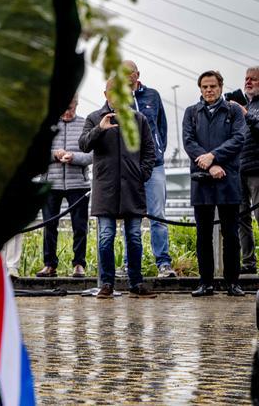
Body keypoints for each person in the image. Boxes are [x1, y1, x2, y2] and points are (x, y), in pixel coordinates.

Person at [79, 77, 157, 299]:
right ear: (106, 95)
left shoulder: (139, 119)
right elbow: (83, 145)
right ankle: (106, 284)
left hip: (132, 188)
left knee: (134, 237)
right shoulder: (94, 118)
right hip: (106, 189)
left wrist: (142, 174)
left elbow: (149, 151)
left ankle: (136, 283)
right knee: (106, 237)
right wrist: (100, 129)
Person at [182, 70, 246, 296]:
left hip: (228, 178)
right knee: (203, 235)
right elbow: (189, 142)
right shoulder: (191, 112)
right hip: (202, 180)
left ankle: (233, 283)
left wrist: (214, 156)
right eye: (205, 87)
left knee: (231, 234)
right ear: (200, 89)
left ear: (220, 87)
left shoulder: (234, 111)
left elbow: (238, 139)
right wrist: (209, 165)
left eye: (213, 86)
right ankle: (205, 283)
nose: (209, 90)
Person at [122, 60, 175, 277]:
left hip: (154, 166)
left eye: (129, 72)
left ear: (137, 74)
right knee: (130, 216)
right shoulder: (117, 97)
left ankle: (163, 263)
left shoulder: (153, 95)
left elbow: (161, 126)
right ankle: (129, 264)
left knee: (158, 216)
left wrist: (158, 150)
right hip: (129, 166)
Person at [36, 97, 92, 278]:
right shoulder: (48, 125)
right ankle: (49, 264)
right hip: (51, 183)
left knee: (80, 226)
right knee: (49, 225)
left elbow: (92, 155)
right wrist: (55, 155)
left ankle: (79, 264)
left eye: (70, 108)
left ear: (76, 104)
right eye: (64, 108)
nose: (67, 112)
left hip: (78, 184)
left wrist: (73, 157)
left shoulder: (85, 124)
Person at [233, 66, 259, 273]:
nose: (248, 82)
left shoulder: (249, 109)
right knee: (242, 218)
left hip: (257, 169)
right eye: (246, 79)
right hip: (239, 169)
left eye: (253, 79)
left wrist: (246, 114)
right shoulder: (244, 104)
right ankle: (248, 263)